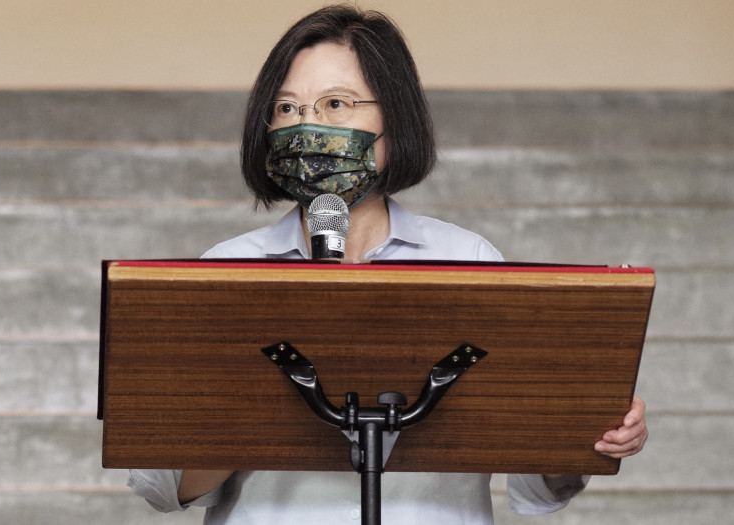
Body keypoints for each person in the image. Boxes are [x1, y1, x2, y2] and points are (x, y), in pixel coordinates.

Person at [128, 5, 649, 524]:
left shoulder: (468, 263)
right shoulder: (226, 270)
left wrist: (593, 431)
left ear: (394, 120)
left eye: (336, 103)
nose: (308, 127)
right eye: (287, 109)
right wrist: (263, 408)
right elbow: (160, 486)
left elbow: (539, 488)